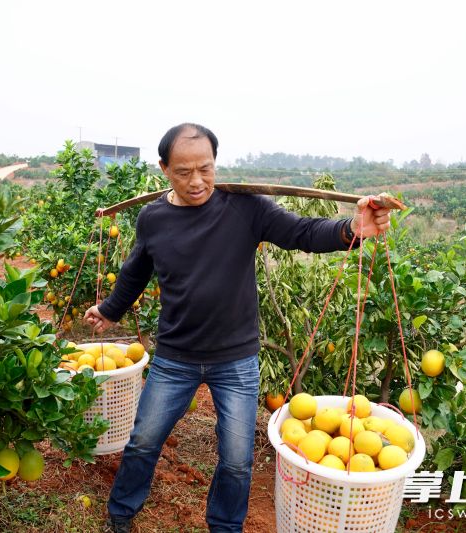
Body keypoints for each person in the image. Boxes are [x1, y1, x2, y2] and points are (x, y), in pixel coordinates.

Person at [84, 123, 392, 533]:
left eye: (205, 169)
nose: (197, 181)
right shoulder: (153, 218)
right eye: (183, 172)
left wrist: (350, 230)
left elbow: (301, 232)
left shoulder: (245, 208)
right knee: (143, 442)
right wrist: (109, 310)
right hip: (175, 358)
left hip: (236, 361)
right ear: (164, 168)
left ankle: (225, 527)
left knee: (236, 460)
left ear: (215, 162)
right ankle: (121, 513)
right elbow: (136, 271)